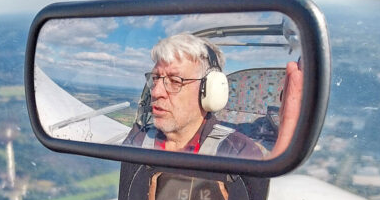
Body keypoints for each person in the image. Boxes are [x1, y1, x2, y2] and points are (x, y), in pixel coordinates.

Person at [125, 33, 300, 159]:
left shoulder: (238, 151)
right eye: (155, 78)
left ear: (209, 90)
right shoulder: (139, 137)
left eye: (175, 80)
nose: (156, 92)